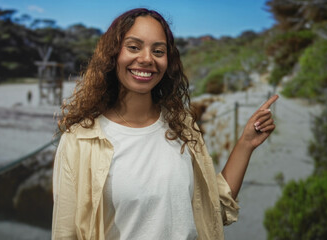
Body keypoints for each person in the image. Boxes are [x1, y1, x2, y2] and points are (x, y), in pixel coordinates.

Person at [52, 8, 278, 240]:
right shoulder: (79, 140)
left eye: (158, 51)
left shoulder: (182, 127)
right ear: (113, 54)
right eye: (134, 47)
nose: (147, 58)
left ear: (167, 62)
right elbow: (65, 233)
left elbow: (210, 212)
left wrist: (246, 143)